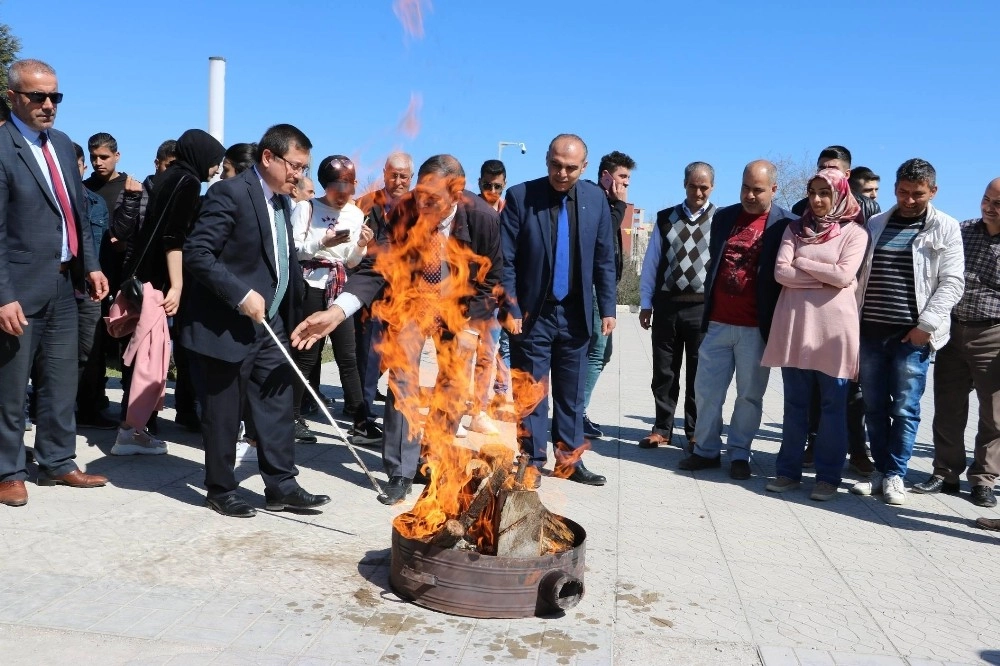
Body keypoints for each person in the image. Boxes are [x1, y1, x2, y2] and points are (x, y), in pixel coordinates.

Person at [291, 154, 502, 505]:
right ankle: (400, 470)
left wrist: (472, 330)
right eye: (420, 194)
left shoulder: (482, 217)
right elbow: (377, 267)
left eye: (433, 199)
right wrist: (337, 310)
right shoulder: (406, 210)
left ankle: (431, 458)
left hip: (459, 307)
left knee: (452, 383)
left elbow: (491, 280)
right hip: (412, 302)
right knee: (402, 378)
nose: (423, 204)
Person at [179, 123, 329, 518]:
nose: (300, 174)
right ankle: (221, 487)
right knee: (225, 413)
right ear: (269, 157)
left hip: (270, 324)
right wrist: (241, 294)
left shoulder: (280, 201)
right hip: (226, 325)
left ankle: (282, 484)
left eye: (303, 167)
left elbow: (281, 259)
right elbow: (197, 253)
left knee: (277, 403)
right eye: (295, 166)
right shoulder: (229, 193)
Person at [0, 58, 110, 508]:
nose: (48, 105)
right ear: (13, 98)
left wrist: (92, 264)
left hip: (67, 284)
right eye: (38, 97)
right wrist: (3, 295)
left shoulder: (62, 145)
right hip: (19, 289)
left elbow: (77, 214)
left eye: (55, 97)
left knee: (62, 378)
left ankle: (58, 461)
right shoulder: (3, 145)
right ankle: (8, 470)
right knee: (10, 385)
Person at [500, 134, 617, 487]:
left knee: (571, 392)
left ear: (583, 166)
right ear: (546, 160)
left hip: (576, 314)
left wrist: (608, 306)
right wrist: (511, 306)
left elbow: (604, 258)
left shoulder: (596, 199)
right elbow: (504, 260)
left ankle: (568, 461)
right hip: (533, 314)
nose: (561, 173)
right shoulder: (521, 197)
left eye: (570, 168)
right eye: (555, 165)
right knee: (531, 392)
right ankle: (531, 461)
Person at [850, 159, 964, 505]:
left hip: (911, 337)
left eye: (917, 194)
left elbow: (952, 282)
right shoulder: (876, 223)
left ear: (933, 191)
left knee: (904, 408)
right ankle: (882, 471)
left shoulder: (945, 227)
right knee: (872, 405)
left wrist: (924, 327)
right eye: (903, 192)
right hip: (870, 332)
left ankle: (896, 474)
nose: (909, 200)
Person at [678, 160, 795, 480]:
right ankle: (705, 450)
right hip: (717, 323)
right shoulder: (724, 217)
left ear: (773, 189)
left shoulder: (786, 224)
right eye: (745, 187)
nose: (749, 195)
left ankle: (740, 452)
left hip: (757, 328)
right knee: (706, 391)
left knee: (749, 395)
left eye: (757, 189)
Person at [113, 129, 225, 455]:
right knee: (151, 361)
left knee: (142, 359)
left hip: (140, 276)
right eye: (215, 162)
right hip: (158, 283)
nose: (216, 169)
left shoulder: (167, 176)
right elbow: (172, 238)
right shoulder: (188, 182)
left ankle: (132, 429)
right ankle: (131, 433)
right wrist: (177, 285)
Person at [762, 168, 869, 500]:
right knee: (795, 405)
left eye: (826, 193)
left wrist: (803, 262)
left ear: (839, 194)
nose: (819, 200)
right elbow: (781, 272)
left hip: (834, 333)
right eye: (814, 192)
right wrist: (827, 276)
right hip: (796, 327)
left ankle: (827, 477)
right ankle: (788, 472)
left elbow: (845, 275)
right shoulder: (795, 228)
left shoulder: (855, 233)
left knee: (833, 407)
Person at [914, 178, 1000, 509]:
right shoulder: (961, 231)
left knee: (994, 414)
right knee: (948, 407)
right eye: (986, 199)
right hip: (952, 330)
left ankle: (983, 479)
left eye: (997, 203)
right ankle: (945, 473)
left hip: (992, 334)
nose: (988, 207)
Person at [289, 155, 373, 443]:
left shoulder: (355, 213)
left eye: (347, 191)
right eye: (337, 192)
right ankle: (292, 416)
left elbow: (350, 262)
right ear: (326, 186)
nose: (342, 198)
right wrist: (322, 243)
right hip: (311, 284)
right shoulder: (306, 208)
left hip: (340, 288)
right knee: (308, 353)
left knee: (348, 356)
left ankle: (361, 422)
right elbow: (295, 250)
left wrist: (360, 246)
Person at [638, 161, 716, 451]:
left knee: (699, 373)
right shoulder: (665, 219)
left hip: (702, 309)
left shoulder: (720, 220)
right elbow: (652, 263)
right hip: (667, 307)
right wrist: (646, 303)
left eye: (704, 187)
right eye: (694, 185)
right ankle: (662, 428)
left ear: (712, 187)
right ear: (685, 184)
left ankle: (695, 431)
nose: (699, 191)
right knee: (664, 371)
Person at [352, 152, 414, 445]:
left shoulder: (419, 207)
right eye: (393, 174)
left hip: (404, 294)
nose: (398, 181)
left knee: (392, 356)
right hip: (371, 291)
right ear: (385, 173)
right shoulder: (366, 203)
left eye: (404, 176)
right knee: (368, 355)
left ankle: (390, 417)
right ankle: (362, 420)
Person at [582, 150, 635, 439]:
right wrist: (620, 206)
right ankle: (577, 413)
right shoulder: (594, 198)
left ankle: (578, 410)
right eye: (622, 178)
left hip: (604, 290)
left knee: (603, 353)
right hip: (592, 288)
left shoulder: (608, 202)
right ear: (605, 176)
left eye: (628, 179)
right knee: (596, 351)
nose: (625, 185)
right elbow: (603, 236)